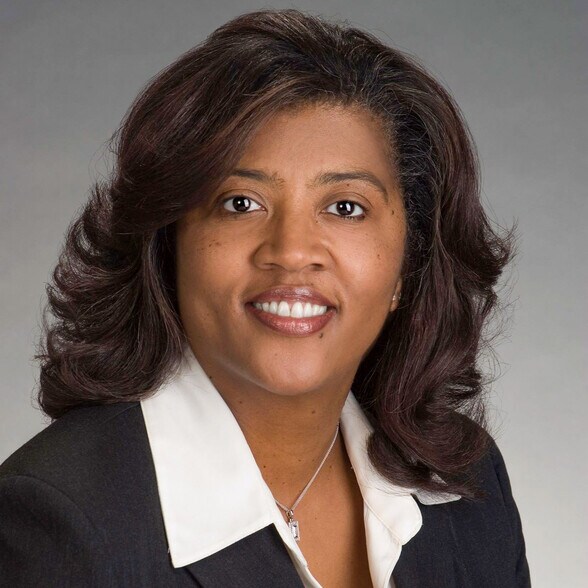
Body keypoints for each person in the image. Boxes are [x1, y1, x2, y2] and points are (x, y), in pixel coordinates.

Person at [0, 8, 530, 588]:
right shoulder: (60, 523)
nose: (292, 252)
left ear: (410, 262)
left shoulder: (466, 485)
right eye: (241, 203)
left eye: (345, 207)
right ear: (167, 244)